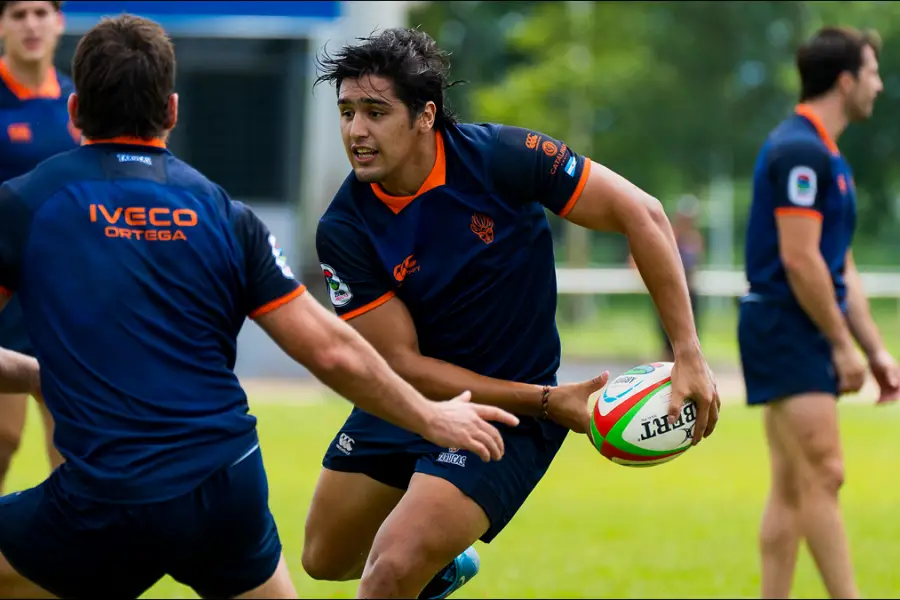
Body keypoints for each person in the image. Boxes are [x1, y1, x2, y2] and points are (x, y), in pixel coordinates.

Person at [0, 15, 519, 599]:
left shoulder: (25, 204)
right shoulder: (225, 214)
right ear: (171, 111)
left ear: (74, 115)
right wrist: (432, 418)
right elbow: (328, 347)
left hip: (107, 498)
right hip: (226, 488)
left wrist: (31, 372)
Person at [304, 28, 720, 599]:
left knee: (389, 572)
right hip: (419, 397)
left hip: (512, 412)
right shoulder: (345, 228)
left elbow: (641, 214)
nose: (356, 131)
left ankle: (422, 561)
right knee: (324, 556)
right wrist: (552, 401)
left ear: (425, 116)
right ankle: (444, 568)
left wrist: (687, 352)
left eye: (375, 112)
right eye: (347, 111)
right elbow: (402, 365)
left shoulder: (503, 158)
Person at [739, 26, 900, 600]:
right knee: (825, 473)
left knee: (792, 485)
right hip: (787, 324)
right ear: (847, 80)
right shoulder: (800, 151)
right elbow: (801, 261)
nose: (879, 85)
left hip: (796, 323)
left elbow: (840, 265)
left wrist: (875, 349)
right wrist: (839, 344)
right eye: (874, 72)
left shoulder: (827, 154)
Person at [0, 0, 74, 492]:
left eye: (41, 12)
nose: (31, 24)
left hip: (66, 301)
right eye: (18, 13)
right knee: (2, 438)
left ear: (59, 22)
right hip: (5, 299)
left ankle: (75, 567)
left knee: (72, 448)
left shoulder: (79, 101)